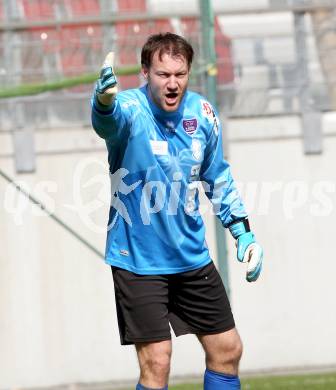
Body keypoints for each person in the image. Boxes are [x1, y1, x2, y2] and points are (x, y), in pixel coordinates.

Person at [91, 32, 263, 390]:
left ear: (188, 74)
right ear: (145, 73)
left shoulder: (201, 113)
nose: (172, 83)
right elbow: (107, 123)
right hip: (139, 260)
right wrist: (102, 103)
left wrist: (242, 231)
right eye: (162, 74)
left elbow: (217, 177)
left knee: (228, 350)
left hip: (190, 257)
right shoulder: (130, 109)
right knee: (157, 361)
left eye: (179, 74)